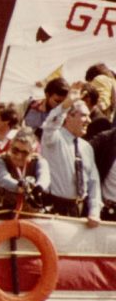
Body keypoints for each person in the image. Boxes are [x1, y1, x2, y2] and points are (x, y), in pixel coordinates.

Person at [40, 86, 101, 226]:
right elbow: (50, 123)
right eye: (84, 115)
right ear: (68, 116)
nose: (89, 120)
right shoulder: (53, 138)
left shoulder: (86, 148)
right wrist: (66, 105)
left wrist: (94, 212)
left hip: (76, 210)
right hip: (52, 208)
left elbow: (93, 183)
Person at [0, 128, 50, 213]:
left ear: (32, 152)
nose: (19, 156)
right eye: (15, 151)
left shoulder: (40, 161)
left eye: (25, 153)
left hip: (30, 213)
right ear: (10, 147)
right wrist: (19, 186)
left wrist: (38, 188)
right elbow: (3, 178)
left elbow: (44, 177)